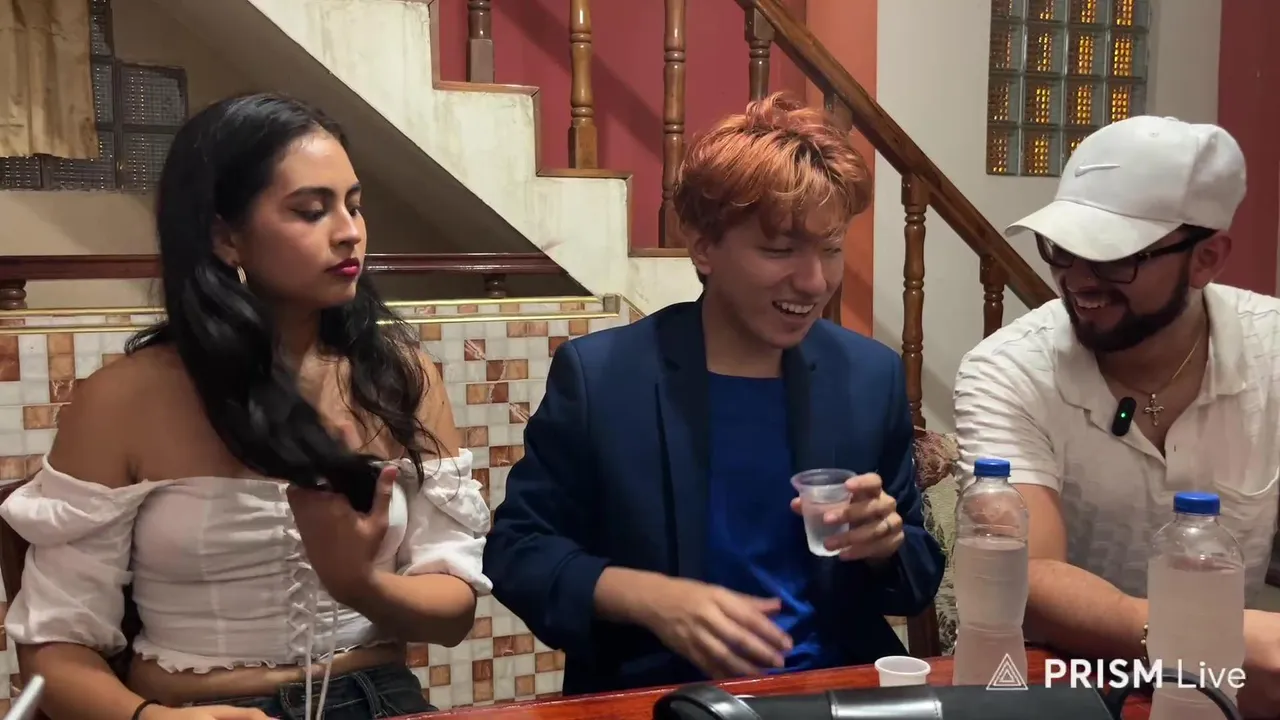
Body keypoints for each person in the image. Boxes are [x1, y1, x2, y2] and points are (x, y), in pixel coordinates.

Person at [1, 93, 492, 720]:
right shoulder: (122, 398)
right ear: (225, 237)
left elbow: (453, 616)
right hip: (192, 709)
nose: (349, 231)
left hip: (378, 698)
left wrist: (358, 582)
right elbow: (54, 652)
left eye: (354, 204)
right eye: (311, 210)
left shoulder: (400, 376)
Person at [482, 93, 945, 695]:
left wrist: (886, 544)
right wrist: (651, 597)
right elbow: (517, 552)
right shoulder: (604, 378)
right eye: (779, 250)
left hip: (829, 691)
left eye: (831, 250)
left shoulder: (867, 376)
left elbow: (915, 580)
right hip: (666, 697)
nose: (814, 282)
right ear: (702, 246)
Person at [953, 115, 1280, 716]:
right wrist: (1192, 643)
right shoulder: (1007, 369)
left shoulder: (1273, 352)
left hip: (1227, 692)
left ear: (1206, 258)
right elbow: (1027, 576)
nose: (1078, 279)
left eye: (1114, 258)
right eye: (1061, 248)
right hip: (1061, 686)